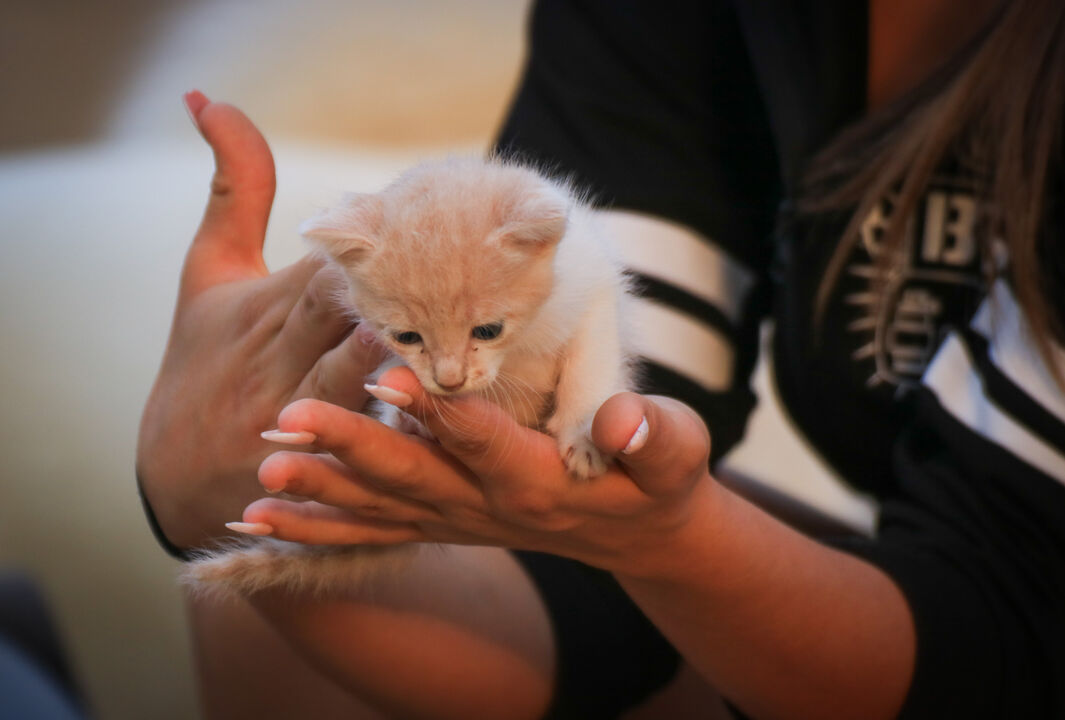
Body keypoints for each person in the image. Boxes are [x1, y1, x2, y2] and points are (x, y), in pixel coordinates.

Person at [138, 1, 1065, 718]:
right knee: (261, 601)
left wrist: (671, 540)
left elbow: (1017, 633)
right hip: (954, 573)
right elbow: (585, 581)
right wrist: (224, 503)